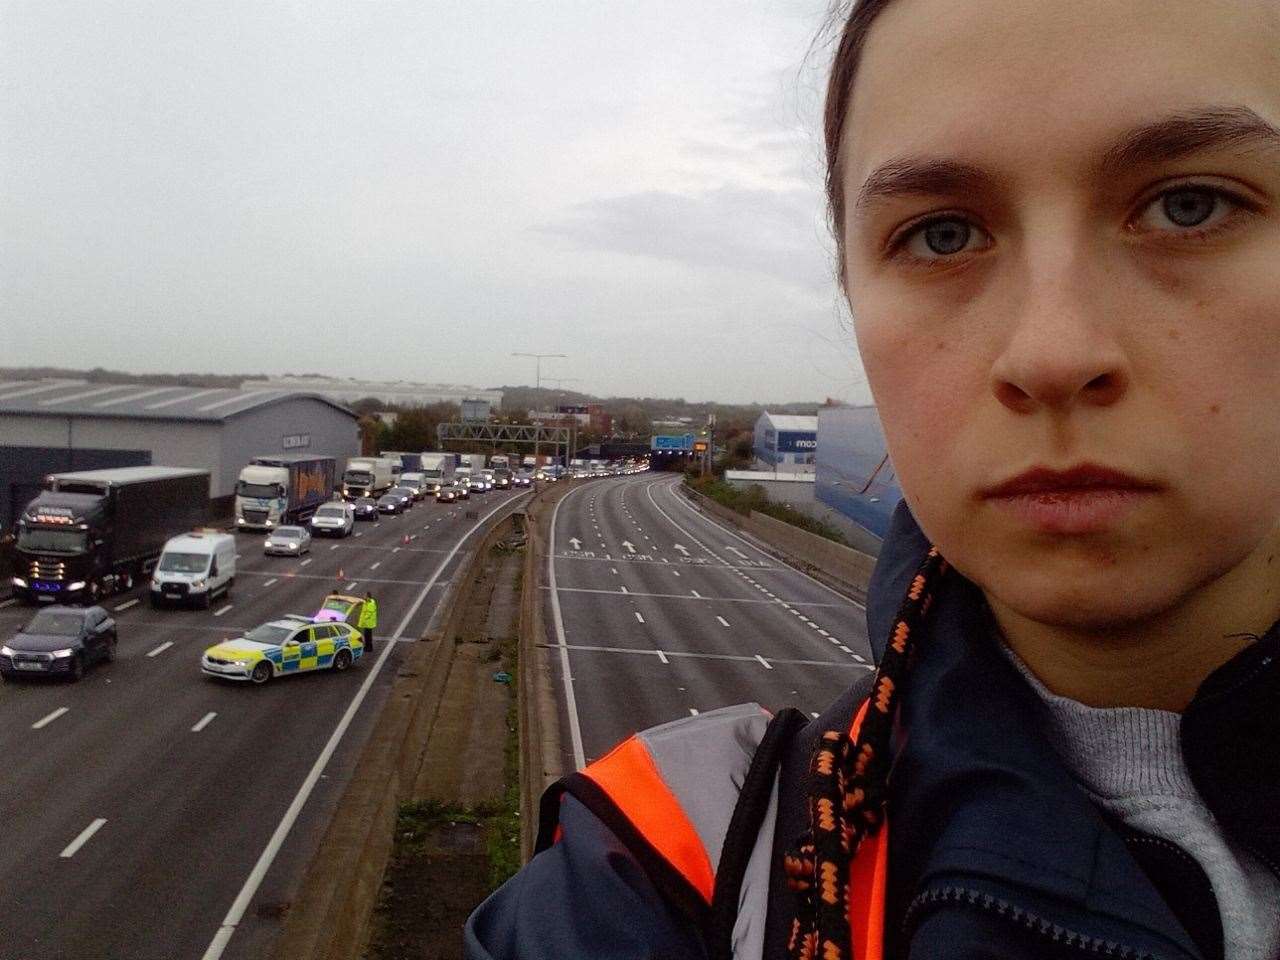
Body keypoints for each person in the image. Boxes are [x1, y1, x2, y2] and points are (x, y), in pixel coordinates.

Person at [466, 0, 1280, 956]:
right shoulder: (666, 873)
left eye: (1192, 204)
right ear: (854, 292)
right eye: (941, 234)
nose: (1053, 352)